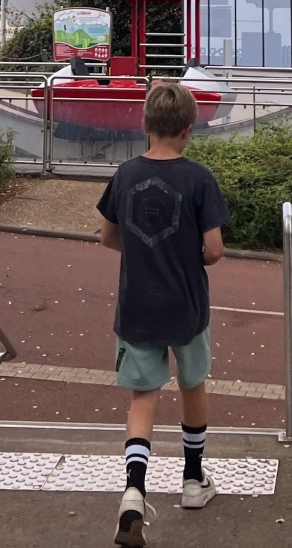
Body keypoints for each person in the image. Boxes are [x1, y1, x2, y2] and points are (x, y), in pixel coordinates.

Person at [97, 80, 228, 546]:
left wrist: (142, 251)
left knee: (143, 397)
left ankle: (134, 491)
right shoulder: (199, 179)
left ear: (144, 124)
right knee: (193, 385)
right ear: (189, 129)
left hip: (137, 304)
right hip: (187, 303)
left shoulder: (125, 174)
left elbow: (107, 236)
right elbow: (214, 250)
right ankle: (193, 480)